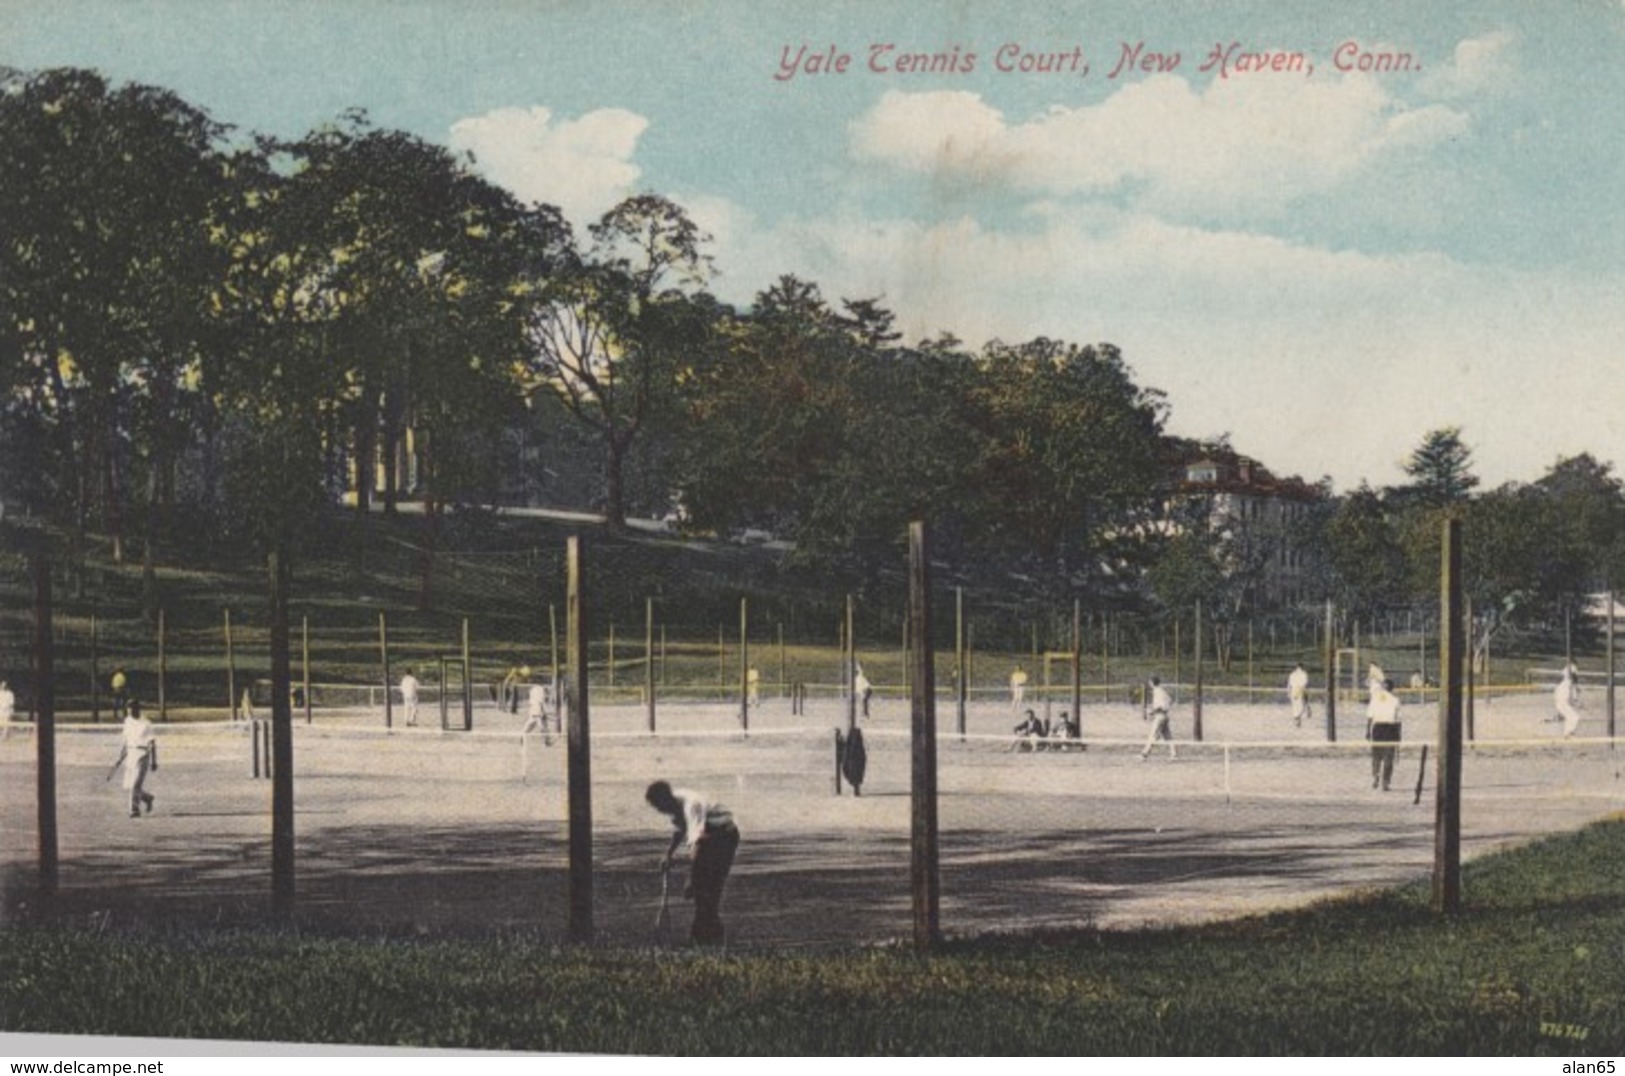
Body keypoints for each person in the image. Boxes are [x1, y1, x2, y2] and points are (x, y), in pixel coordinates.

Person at [646, 780, 740, 946]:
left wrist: (692, 878)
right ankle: (706, 937)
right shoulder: (675, 802)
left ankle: (710, 937)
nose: (660, 811)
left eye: (659, 807)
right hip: (709, 834)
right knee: (704, 895)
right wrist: (669, 853)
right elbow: (681, 828)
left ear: (666, 799)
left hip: (724, 835)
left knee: (709, 890)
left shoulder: (692, 805)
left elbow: (699, 843)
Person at [116, 700, 157, 818]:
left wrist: (154, 761)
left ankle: (134, 810)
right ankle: (148, 798)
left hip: (143, 755)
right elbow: (126, 739)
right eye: (128, 709)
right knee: (129, 786)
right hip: (131, 754)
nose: (129, 711)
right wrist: (121, 754)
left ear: (137, 709)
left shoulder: (146, 724)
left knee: (135, 785)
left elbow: (152, 743)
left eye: (132, 709)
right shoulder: (127, 721)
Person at [1365, 678, 1402, 791]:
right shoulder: (1396, 700)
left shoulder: (1375, 699)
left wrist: (1367, 731)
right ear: (1392, 689)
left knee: (1376, 756)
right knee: (1388, 757)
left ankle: (1375, 776)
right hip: (1390, 729)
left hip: (1378, 728)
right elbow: (1398, 720)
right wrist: (1399, 735)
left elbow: (1369, 717)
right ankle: (1385, 782)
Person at [1141, 676, 1176, 760]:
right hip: (1164, 715)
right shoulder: (1162, 691)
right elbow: (1169, 700)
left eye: (1150, 682)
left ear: (1152, 683)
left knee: (1153, 735)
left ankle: (1145, 753)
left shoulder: (1157, 692)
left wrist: (1151, 712)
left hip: (1160, 716)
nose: (1149, 684)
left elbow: (1160, 706)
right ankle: (1174, 753)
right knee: (1168, 736)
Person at [1554, 665, 1583, 737]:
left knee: (1571, 717)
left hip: (1561, 704)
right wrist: (1578, 703)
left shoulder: (1564, 684)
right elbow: (1572, 698)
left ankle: (1568, 732)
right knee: (1574, 717)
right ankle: (1568, 733)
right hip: (1563, 703)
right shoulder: (1569, 684)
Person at [1287, 663, 1311, 727]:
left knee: (1296, 705)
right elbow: (1305, 683)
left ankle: (1297, 716)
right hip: (1299, 689)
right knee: (1301, 705)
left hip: (1294, 690)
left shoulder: (1292, 674)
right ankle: (1298, 716)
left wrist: (1289, 692)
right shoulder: (1303, 674)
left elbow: (1289, 684)